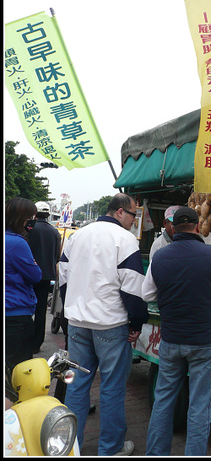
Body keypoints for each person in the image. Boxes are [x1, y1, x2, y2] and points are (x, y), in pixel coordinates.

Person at [142, 206, 211, 456]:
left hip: (172, 340)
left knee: (163, 402)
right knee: (200, 407)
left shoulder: (160, 257)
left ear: (173, 227)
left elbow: (147, 294)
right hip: (204, 343)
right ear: (198, 227)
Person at [59, 193, 149, 456]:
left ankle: (68, 447)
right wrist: (137, 323)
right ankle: (111, 449)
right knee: (111, 388)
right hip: (110, 324)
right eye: (134, 215)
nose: (135, 220)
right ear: (120, 212)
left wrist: (71, 308)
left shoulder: (77, 236)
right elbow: (132, 287)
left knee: (76, 387)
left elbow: (63, 276)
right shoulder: (124, 239)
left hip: (78, 323)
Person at [5, 197, 42, 372]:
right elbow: (35, 275)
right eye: (30, 217)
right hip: (16, 316)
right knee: (19, 373)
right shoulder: (17, 243)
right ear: (21, 218)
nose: (32, 221)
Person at [28, 201, 61, 354]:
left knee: (26, 309)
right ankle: (36, 343)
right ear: (48, 214)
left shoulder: (29, 228)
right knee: (41, 310)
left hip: (27, 275)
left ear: (35, 213)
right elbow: (57, 256)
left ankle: (25, 340)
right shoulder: (54, 232)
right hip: (46, 276)